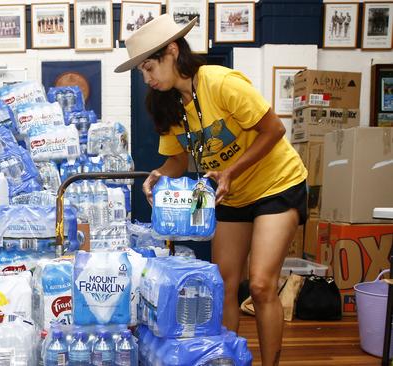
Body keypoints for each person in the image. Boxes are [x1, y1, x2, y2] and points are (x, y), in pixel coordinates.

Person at [114, 14, 307, 366]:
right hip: (228, 192)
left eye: (149, 67)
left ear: (172, 50)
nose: (147, 78)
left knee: (262, 284)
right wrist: (159, 174)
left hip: (275, 184)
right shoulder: (167, 104)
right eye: (141, 72)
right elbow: (177, 161)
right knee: (222, 285)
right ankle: (224, 360)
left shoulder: (221, 82)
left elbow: (274, 130)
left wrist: (232, 169)